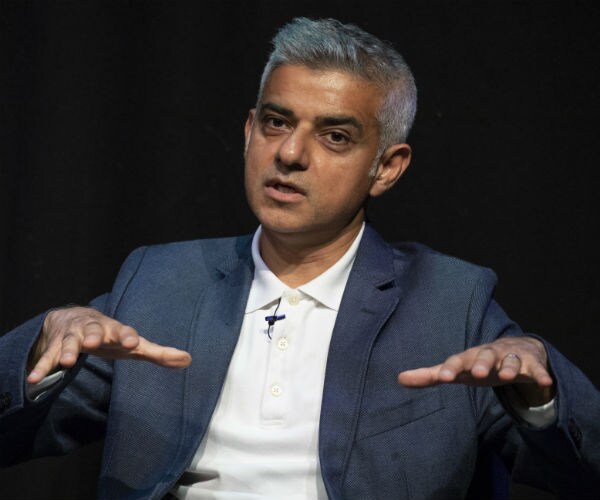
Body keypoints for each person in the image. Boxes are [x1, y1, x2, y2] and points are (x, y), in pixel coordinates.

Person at [0, 16, 598, 500]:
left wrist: (541, 393)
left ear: (386, 168)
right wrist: (43, 346)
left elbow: (580, 469)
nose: (289, 153)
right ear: (247, 131)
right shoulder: (162, 281)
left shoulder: (449, 302)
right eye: (276, 122)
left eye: (334, 136)